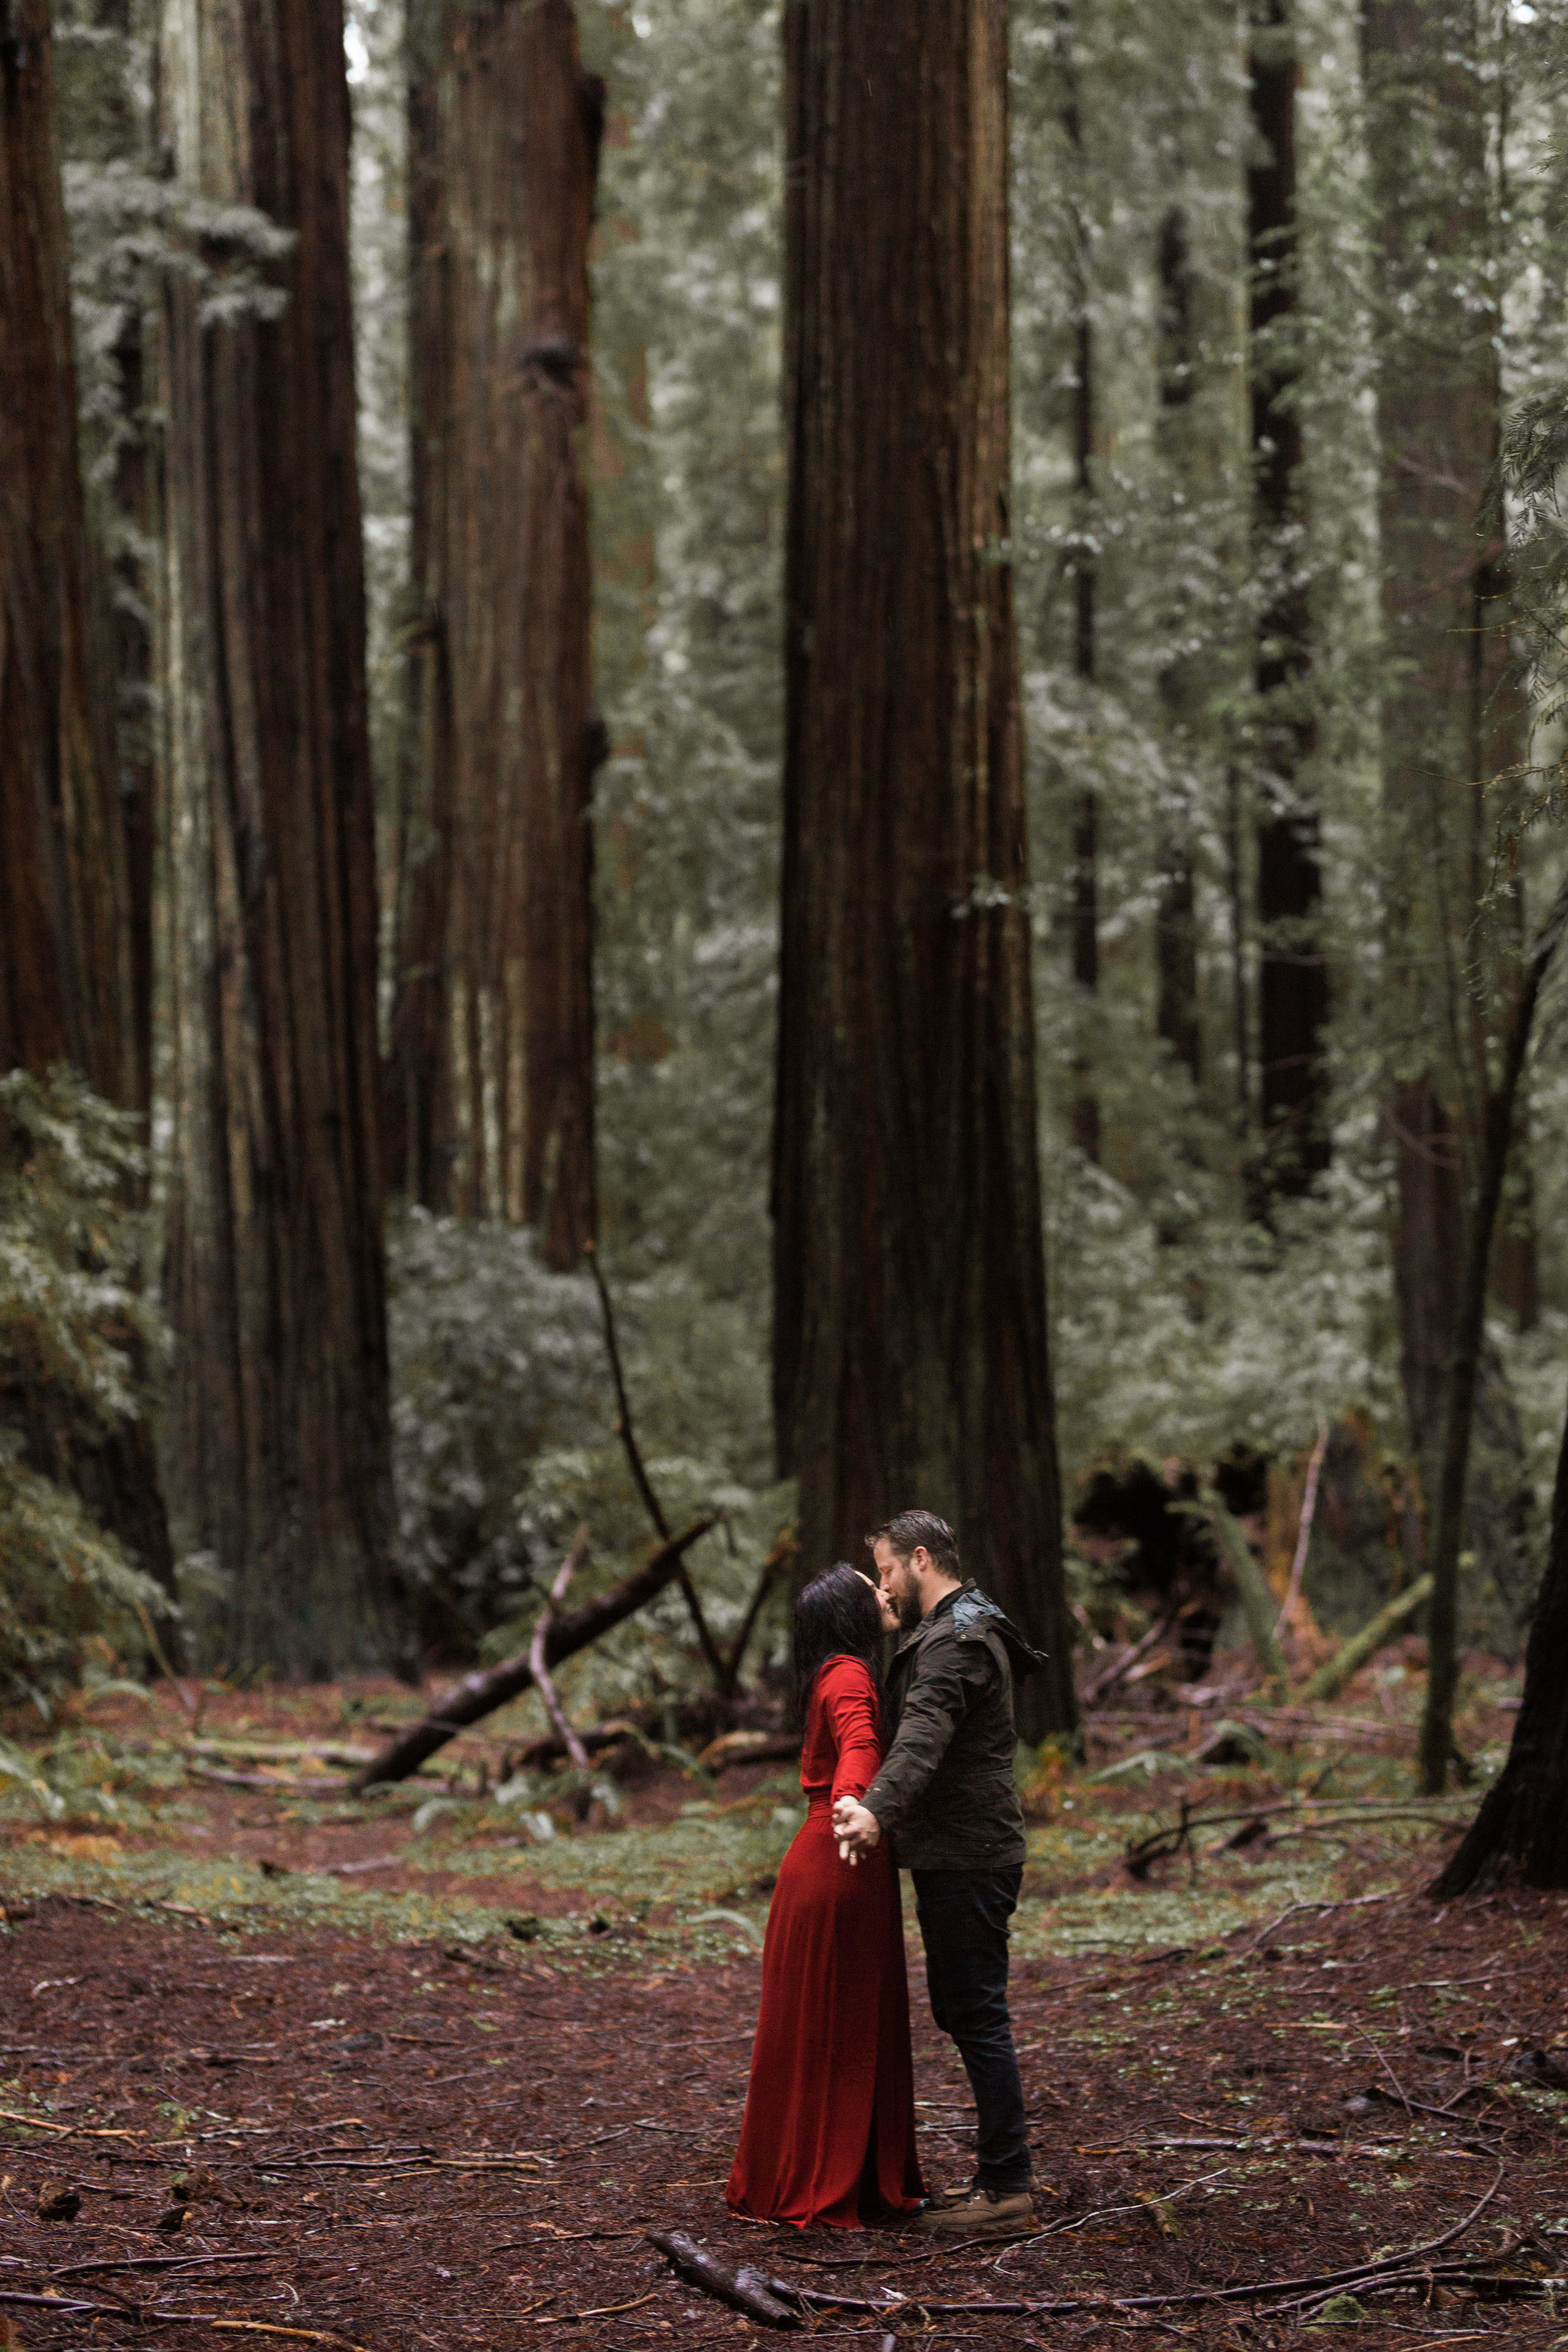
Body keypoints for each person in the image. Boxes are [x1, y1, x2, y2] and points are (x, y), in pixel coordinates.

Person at [833, 1510, 1041, 2239]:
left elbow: (924, 1731)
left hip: (969, 1855)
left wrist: (876, 1811)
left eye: (887, 1570)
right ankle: (999, 2176)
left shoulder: (955, 1640)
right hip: (961, 1850)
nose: (883, 1586)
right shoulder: (959, 1623)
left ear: (920, 1559)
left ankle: (1007, 2187)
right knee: (965, 2009)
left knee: (976, 2012)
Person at [726, 1564, 926, 2230]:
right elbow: (861, 1740)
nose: (884, 1592)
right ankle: (819, 2177)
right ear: (851, 1611)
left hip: (830, 1858)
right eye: (871, 1587)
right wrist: (852, 1803)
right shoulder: (848, 1672)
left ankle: (827, 2170)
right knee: (838, 2023)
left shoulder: (835, 1670)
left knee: (833, 2022)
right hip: (840, 1857)